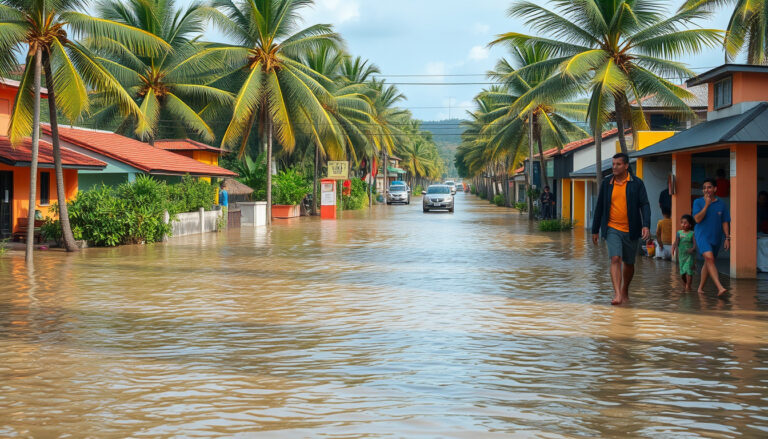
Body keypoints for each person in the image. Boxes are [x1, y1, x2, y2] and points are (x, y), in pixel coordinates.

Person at [592, 153, 651, 305]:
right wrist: (595, 229)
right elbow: (600, 207)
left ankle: (625, 289)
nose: (614, 167)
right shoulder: (607, 183)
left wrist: (646, 225)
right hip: (612, 228)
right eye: (613, 164)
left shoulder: (637, 183)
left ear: (626, 166)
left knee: (629, 263)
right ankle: (617, 294)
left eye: (618, 164)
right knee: (615, 258)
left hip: (631, 230)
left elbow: (645, 204)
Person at [693, 178, 731, 297]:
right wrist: (706, 205)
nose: (706, 190)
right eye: (704, 188)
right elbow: (697, 219)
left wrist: (727, 238)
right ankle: (720, 287)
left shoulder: (721, 204)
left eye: (709, 187)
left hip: (716, 237)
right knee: (710, 259)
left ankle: (700, 288)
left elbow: (725, 222)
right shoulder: (698, 202)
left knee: (708, 261)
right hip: (702, 236)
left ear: (715, 189)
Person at [672, 214, 697, 292]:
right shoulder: (679, 233)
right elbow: (676, 242)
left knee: (688, 270)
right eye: (682, 222)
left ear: (690, 224)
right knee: (682, 273)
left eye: (685, 223)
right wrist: (673, 247)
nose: (683, 224)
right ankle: (685, 286)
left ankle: (688, 286)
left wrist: (692, 249)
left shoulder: (692, 233)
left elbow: (695, 244)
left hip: (690, 256)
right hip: (682, 256)